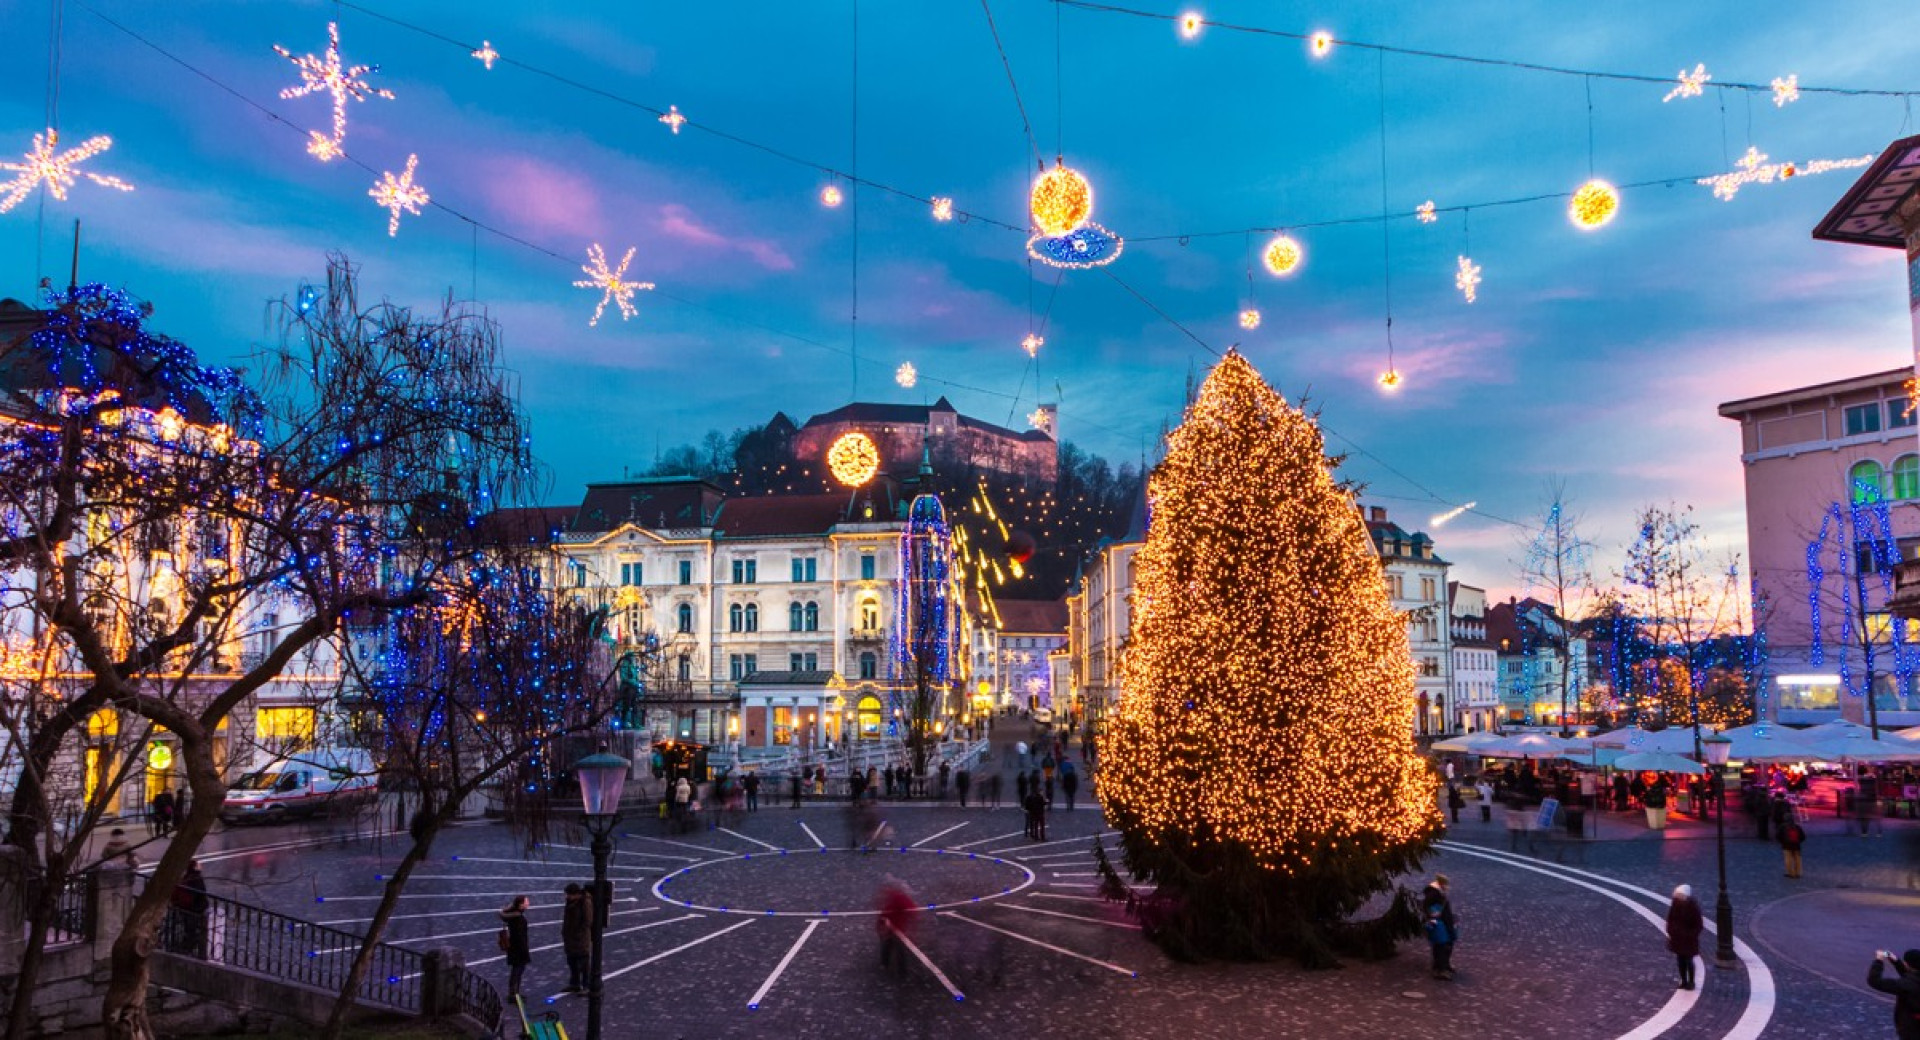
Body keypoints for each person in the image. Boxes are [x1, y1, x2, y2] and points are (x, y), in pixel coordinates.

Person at [1868, 949, 1920, 1040]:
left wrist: (1878, 961)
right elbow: (1912, 976)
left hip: (1913, 1028)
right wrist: (1895, 961)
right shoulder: (1913, 981)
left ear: (1907, 964)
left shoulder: (1907, 985)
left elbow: (1875, 981)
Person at [167, 859, 210, 957]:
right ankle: (189, 948)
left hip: (184, 908)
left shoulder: (186, 878)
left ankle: (185, 945)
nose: (201, 866)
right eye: (199, 864)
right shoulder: (197, 879)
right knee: (192, 930)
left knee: (188, 928)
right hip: (194, 909)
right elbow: (201, 894)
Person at [1665, 884, 1703, 990]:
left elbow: (1698, 925)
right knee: (1680, 960)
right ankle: (1683, 980)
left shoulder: (1693, 908)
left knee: (1688, 960)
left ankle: (1691, 981)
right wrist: (1671, 931)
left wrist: (1691, 935)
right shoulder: (1675, 904)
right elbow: (1670, 919)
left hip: (1688, 939)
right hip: (1678, 938)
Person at [877, 877, 916, 972]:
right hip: (898, 927)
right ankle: (900, 970)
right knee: (896, 948)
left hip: (894, 927)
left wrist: (881, 924)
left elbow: (885, 912)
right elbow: (912, 910)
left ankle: (886, 965)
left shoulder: (895, 898)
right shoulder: (899, 898)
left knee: (891, 946)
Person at [1422, 875, 1456, 980]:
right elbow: (1427, 907)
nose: (1447, 887)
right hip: (1440, 925)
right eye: (1446, 885)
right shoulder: (1434, 893)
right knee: (1441, 946)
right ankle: (1441, 969)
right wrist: (1432, 916)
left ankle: (1443, 966)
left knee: (1445, 945)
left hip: (1443, 924)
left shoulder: (1437, 892)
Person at [562, 883, 593, 993]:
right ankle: (574, 984)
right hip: (570, 938)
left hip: (580, 939)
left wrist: (579, 933)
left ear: (575, 894)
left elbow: (588, 921)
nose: (566, 896)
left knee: (584, 964)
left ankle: (586, 986)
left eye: (568, 894)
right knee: (572, 962)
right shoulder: (571, 902)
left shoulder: (585, 902)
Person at [500, 895, 532, 999]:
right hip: (518, 949)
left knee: (516, 970)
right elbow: (520, 936)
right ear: (520, 904)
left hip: (513, 948)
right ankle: (513, 993)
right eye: (526, 902)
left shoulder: (514, 916)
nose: (528, 903)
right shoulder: (518, 918)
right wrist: (524, 950)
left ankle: (514, 992)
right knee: (518, 970)